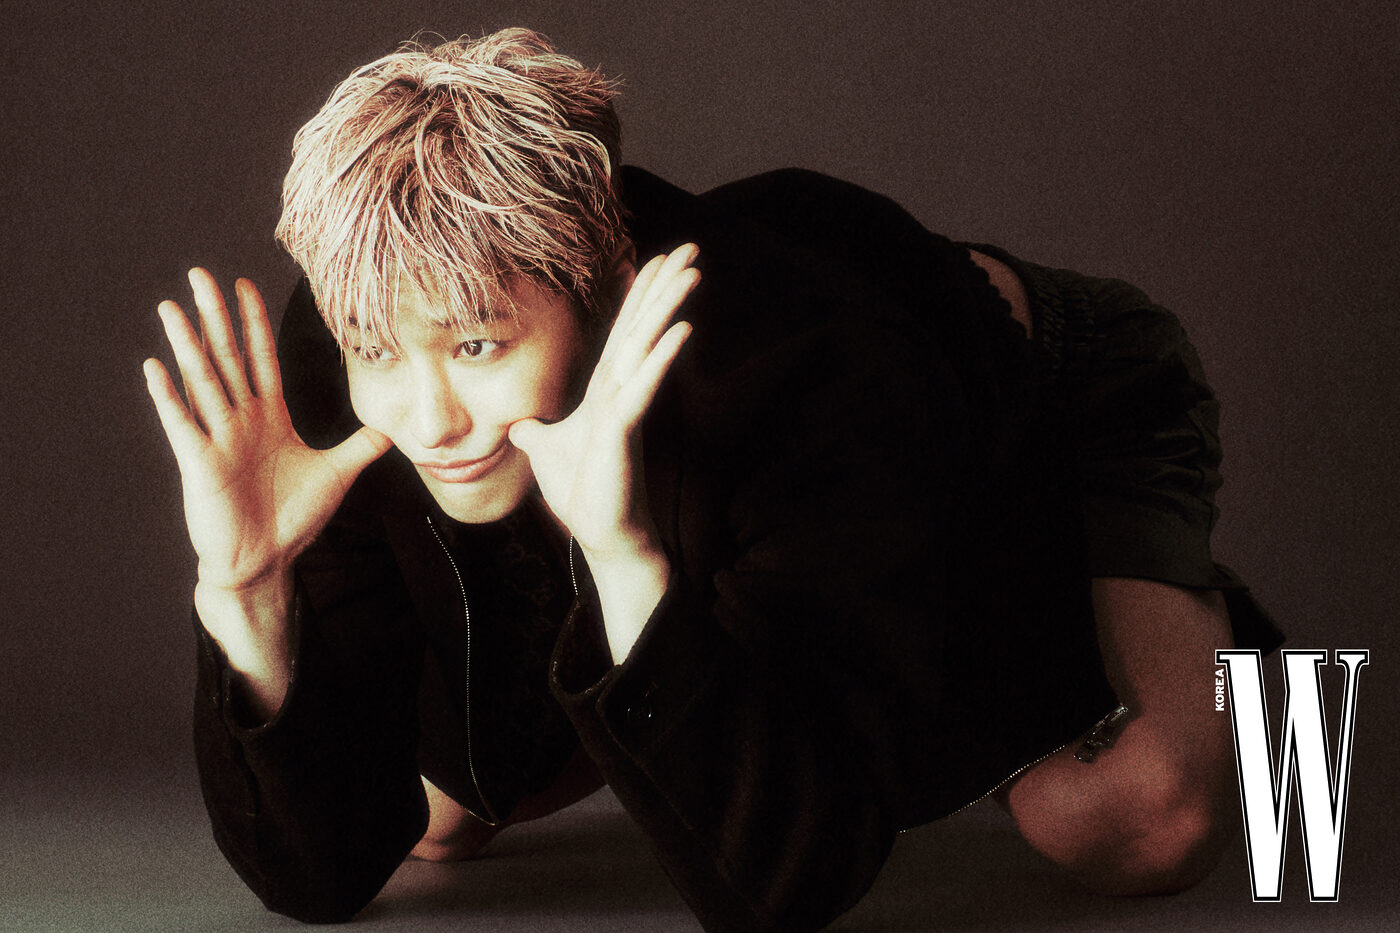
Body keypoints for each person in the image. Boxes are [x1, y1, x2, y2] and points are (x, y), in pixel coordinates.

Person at [143, 28, 1282, 933]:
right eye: (380, 352)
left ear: (598, 282)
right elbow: (318, 872)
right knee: (443, 816)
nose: (428, 419)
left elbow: (793, 884)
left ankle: (1262, 669)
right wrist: (246, 591)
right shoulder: (359, 349)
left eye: (479, 345)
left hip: (1036, 413)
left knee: (1128, 819)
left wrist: (625, 556)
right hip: (717, 476)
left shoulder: (801, 373)